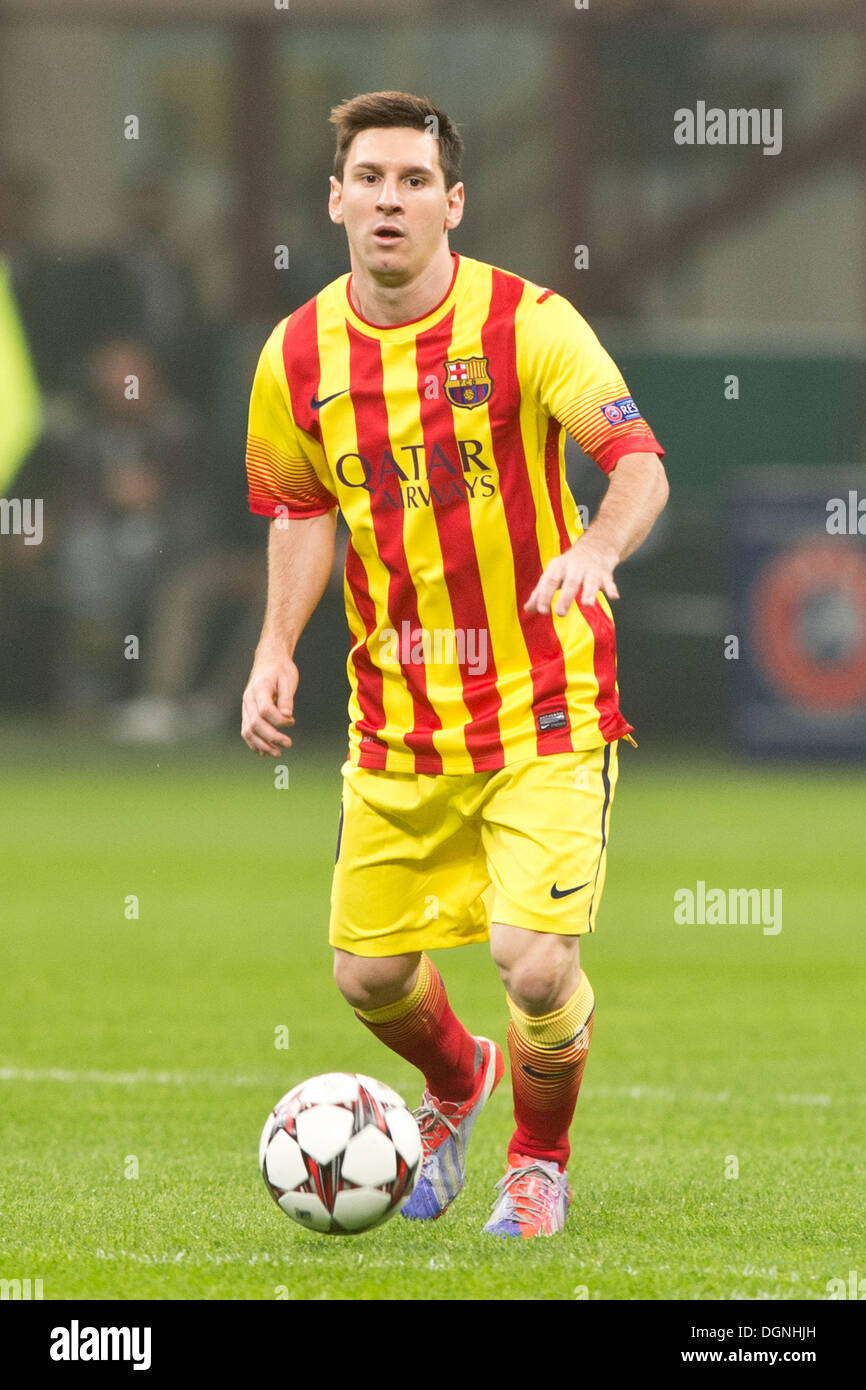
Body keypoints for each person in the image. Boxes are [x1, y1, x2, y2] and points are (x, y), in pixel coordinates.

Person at [241, 90, 668, 1238]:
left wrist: (593, 542)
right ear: (334, 199)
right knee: (367, 981)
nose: (390, 198)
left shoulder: (530, 323)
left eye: (414, 180)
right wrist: (275, 648)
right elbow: (296, 509)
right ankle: (456, 1082)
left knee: (531, 965)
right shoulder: (293, 355)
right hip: (395, 722)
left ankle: (538, 1160)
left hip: (545, 703)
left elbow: (634, 463)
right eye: (369, 178)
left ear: (453, 202)